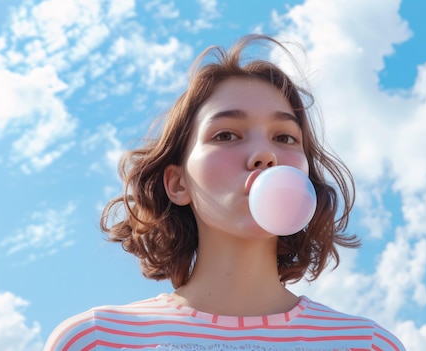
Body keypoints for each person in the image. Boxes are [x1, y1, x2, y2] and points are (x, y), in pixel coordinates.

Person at [44, 34, 405, 351]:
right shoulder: (94, 341)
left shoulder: (366, 345)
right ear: (177, 183)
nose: (266, 154)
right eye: (226, 135)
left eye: (285, 138)